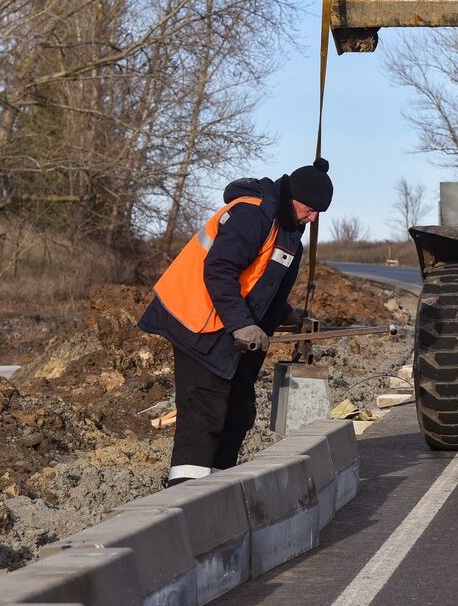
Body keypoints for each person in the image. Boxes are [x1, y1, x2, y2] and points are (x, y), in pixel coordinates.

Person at [140, 158, 333, 485]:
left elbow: (264, 287)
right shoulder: (253, 213)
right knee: (205, 411)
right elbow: (219, 271)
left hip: (224, 324)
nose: (314, 217)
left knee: (238, 411)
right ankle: (186, 495)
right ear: (292, 197)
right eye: (310, 208)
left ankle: (218, 489)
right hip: (198, 322)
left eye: (319, 213)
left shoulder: (287, 232)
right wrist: (242, 324)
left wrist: (289, 317)